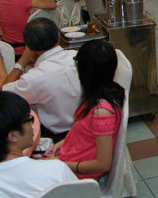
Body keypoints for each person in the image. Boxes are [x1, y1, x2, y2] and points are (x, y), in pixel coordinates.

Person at [44, 40, 125, 179]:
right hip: (69, 161)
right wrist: (62, 144)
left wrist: (60, 165)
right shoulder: (106, 91)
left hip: (76, 174)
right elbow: (86, 134)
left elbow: (103, 164)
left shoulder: (102, 112)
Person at [2, 18, 82, 142]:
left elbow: (3, 96)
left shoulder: (34, 78)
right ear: (58, 36)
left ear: (29, 46)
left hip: (57, 137)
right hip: (87, 128)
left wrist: (21, 62)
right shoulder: (78, 57)